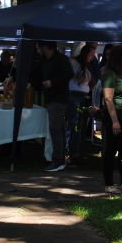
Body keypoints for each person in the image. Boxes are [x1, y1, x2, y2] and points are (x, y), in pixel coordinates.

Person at [36, 41, 74, 172]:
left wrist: (52, 82)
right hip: (50, 98)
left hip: (58, 99)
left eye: (39, 47)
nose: (37, 50)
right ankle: (60, 158)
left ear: (45, 47)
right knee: (58, 129)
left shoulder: (61, 59)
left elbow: (69, 74)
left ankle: (58, 160)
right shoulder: (44, 60)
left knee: (55, 129)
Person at [101, 44, 122, 194]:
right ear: (121, 58)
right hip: (114, 115)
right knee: (110, 149)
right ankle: (108, 183)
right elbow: (108, 99)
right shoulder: (110, 74)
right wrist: (115, 121)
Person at [65, 43, 95, 161]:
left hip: (83, 96)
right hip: (74, 96)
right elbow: (71, 78)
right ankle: (71, 151)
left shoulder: (88, 66)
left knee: (81, 125)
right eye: (91, 54)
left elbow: (90, 81)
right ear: (85, 53)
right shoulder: (74, 63)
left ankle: (77, 151)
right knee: (74, 124)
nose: (92, 57)